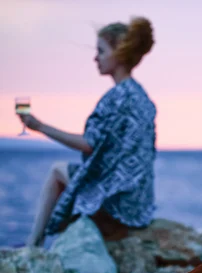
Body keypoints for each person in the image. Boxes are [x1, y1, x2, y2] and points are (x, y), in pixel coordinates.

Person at [18, 17, 157, 247]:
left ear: (119, 54)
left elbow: (88, 144)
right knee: (73, 174)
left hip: (114, 203)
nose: (95, 58)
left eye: (101, 51)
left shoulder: (115, 97)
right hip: (139, 205)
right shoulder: (143, 99)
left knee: (57, 171)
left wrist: (39, 126)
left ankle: (34, 243)